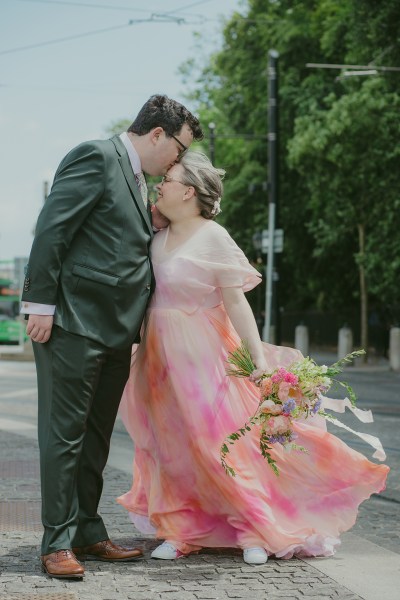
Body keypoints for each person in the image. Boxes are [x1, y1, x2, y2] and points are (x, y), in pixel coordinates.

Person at [117, 151, 389, 565]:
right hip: (159, 360)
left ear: (189, 191)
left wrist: (257, 357)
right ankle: (180, 529)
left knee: (221, 446)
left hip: (206, 359)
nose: (160, 185)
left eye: (168, 180)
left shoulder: (214, 236)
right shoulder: (156, 238)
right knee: (171, 449)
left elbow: (237, 303)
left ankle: (252, 530)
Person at [20, 95, 203, 579]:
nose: (179, 161)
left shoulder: (142, 183)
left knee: (96, 438)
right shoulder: (97, 156)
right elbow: (52, 229)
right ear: (158, 134)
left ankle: (87, 530)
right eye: (179, 149)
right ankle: (56, 542)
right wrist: (40, 303)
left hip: (117, 331)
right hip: (73, 324)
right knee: (64, 438)